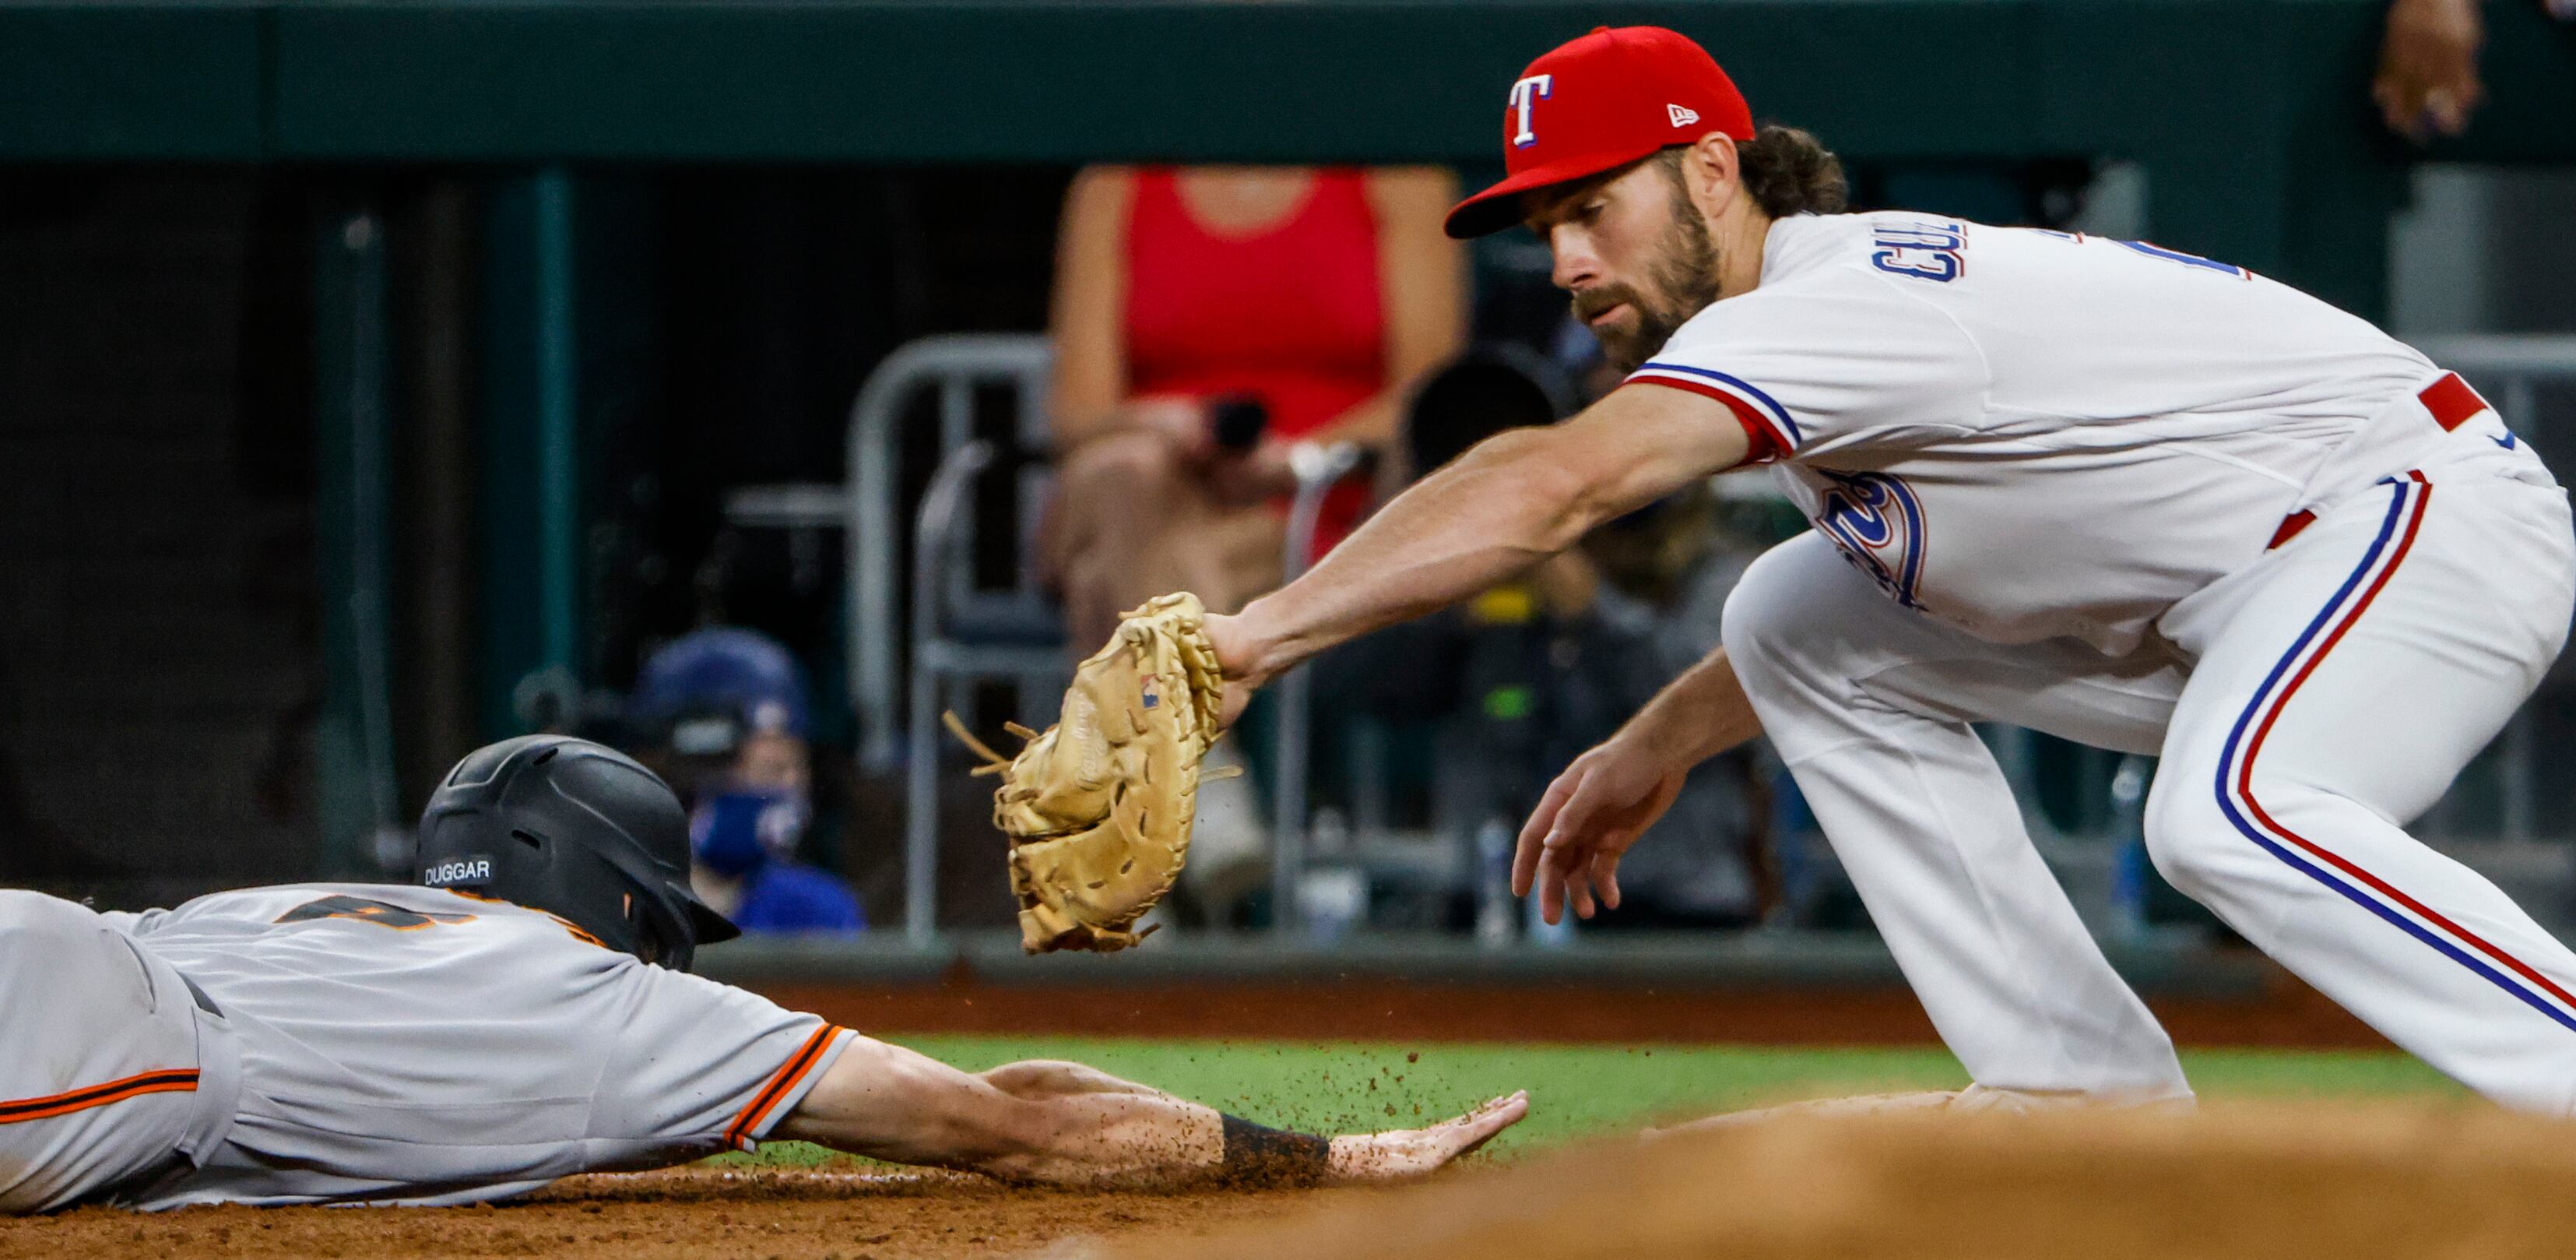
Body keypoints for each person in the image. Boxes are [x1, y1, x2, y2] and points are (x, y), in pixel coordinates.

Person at [1201, 26, 2576, 1115]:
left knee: (2228, 815)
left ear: (1708, 172)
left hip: (2417, 518)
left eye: (1591, 208)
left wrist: (1247, 637)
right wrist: (1655, 739)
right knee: (1788, 613)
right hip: (2243, 584)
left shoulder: (1834, 305)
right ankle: (2075, 1086)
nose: (1562, 260)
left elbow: (1557, 481)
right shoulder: (1799, 317)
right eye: (1540, 227)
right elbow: (1787, 613)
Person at [0, 736, 1524, 1213]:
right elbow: (1011, 1124)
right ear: (611, 892)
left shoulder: (335, 920)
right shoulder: (609, 1007)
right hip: (103, 1048)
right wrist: (1325, 1158)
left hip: (77, 964)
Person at [1038, 165, 1467, 653]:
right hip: (1150, 480)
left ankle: (1149, 722)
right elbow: (1077, 411)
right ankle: (1191, 720)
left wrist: (1293, 460)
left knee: (1110, 575)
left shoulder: (1399, 177)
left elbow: (1427, 394)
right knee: (1129, 470)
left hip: (1319, 499)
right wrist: (1165, 427)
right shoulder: (1115, 183)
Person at [627, 627, 864, 937]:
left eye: (796, 768)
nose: (789, 788)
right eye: (770, 769)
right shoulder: (623, 907)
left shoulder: (816, 909)